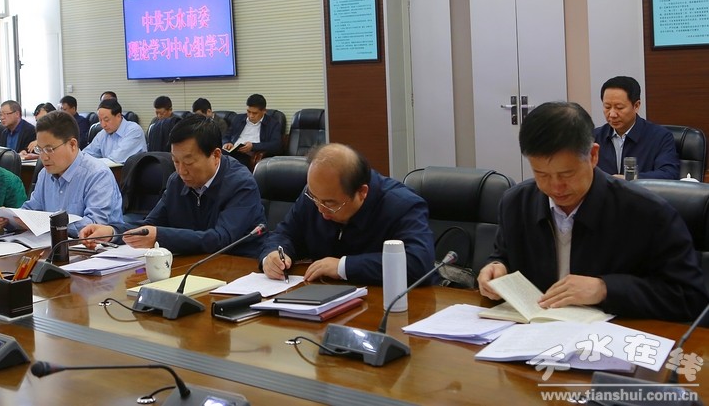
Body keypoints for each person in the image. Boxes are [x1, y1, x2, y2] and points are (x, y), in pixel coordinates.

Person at [478, 101, 708, 321]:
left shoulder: (646, 212)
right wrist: (497, 268)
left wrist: (605, 289)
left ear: (593, 155)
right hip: (534, 334)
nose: (555, 187)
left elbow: (690, 296)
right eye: (542, 174)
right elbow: (503, 255)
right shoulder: (516, 203)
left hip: (613, 337)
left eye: (567, 174)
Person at [81, 115, 266, 256]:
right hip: (190, 265)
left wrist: (160, 236)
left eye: (189, 162)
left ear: (216, 155)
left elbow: (221, 239)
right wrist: (113, 232)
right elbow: (150, 225)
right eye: (175, 161)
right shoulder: (176, 181)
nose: (181, 171)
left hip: (237, 268)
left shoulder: (241, 184)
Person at [260, 143, 435, 287]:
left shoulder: (402, 205)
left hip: (393, 303)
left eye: (330, 204)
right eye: (315, 198)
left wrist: (343, 267)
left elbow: (418, 263)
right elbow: (285, 234)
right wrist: (273, 255)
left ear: (362, 192)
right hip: (323, 298)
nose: (320, 210)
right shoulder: (315, 195)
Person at [0, 111, 122, 236]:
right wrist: (9, 219)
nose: (43, 157)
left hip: (91, 248)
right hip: (50, 244)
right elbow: (31, 210)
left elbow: (95, 225)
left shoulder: (98, 174)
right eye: (39, 149)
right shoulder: (45, 174)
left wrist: (50, 225)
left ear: (72, 144)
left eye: (49, 149)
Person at [592, 76, 679, 180]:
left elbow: (669, 174)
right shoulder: (594, 137)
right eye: (607, 107)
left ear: (636, 106)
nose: (612, 114)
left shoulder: (660, 137)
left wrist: (630, 179)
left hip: (642, 190)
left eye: (619, 107)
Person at [222, 93, 282, 166]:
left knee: (231, 164)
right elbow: (226, 136)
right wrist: (227, 143)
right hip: (231, 152)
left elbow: (276, 145)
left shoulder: (272, 124)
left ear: (264, 111)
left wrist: (253, 146)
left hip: (249, 156)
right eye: (248, 111)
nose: (251, 116)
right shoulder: (238, 118)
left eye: (255, 113)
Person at [82, 98, 146, 163]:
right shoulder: (103, 134)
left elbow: (116, 159)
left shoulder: (134, 131)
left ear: (118, 116)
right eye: (100, 120)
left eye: (106, 120)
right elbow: (86, 155)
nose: (103, 125)